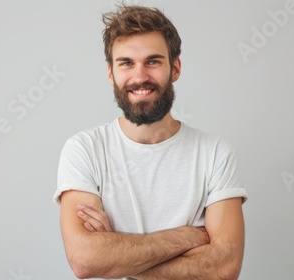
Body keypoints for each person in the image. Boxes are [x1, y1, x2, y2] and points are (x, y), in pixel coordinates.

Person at [53, 5, 248, 280]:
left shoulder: (216, 154)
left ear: (175, 68)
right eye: (126, 63)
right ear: (111, 74)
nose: (140, 77)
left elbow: (224, 268)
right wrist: (187, 237)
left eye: (153, 61)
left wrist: (116, 252)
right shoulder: (84, 150)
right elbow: (86, 260)